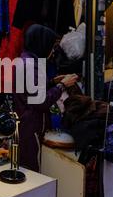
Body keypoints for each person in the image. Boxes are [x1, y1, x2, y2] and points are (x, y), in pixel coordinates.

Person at [14, 24, 79, 172]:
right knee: (33, 170)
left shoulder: (25, 60)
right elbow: (40, 101)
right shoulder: (31, 66)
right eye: (51, 46)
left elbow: (30, 91)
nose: (53, 51)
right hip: (32, 126)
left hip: (25, 124)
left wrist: (52, 82)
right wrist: (62, 85)